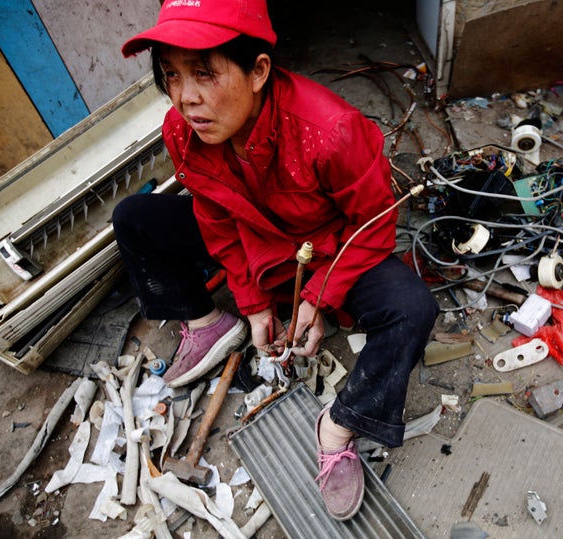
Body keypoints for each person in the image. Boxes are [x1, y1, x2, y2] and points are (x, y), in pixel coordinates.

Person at [114, 0, 439, 521]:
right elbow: (216, 218)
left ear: (259, 70)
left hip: (327, 252)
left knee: (412, 308)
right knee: (134, 217)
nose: (186, 98)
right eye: (171, 75)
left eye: (205, 74)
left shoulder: (329, 130)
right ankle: (206, 322)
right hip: (256, 245)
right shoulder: (183, 130)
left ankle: (338, 426)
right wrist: (251, 303)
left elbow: (374, 224)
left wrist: (319, 297)